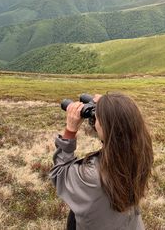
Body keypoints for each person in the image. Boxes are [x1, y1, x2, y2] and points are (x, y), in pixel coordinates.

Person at [49, 92, 153, 230]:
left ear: (106, 128)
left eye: (97, 119)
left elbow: (59, 173)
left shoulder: (92, 175)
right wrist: (109, 106)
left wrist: (70, 131)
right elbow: (116, 131)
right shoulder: (142, 151)